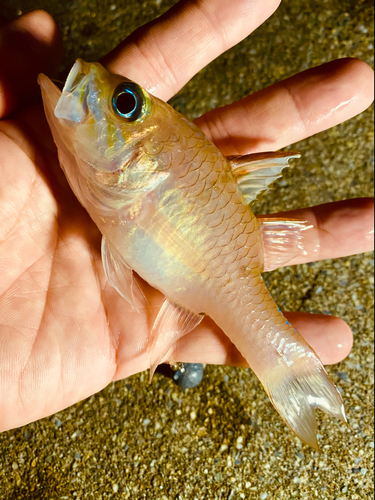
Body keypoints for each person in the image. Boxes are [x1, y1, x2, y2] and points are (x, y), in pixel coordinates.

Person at [0, 0, 373, 433]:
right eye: (126, 101)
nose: (97, 88)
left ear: (145, 161)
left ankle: (283, 367)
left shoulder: (122, 182)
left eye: (124, 103)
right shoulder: (106, 173)